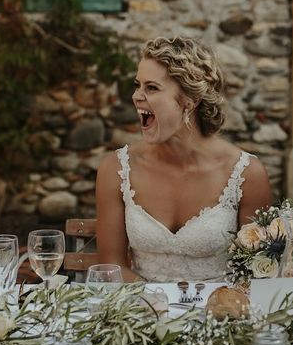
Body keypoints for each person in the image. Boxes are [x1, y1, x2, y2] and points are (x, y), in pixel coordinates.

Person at [95, 36, 272, 282]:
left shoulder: (247, 174)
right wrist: (157, 304)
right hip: (145, 312)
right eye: (138, 85)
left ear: (190, 101)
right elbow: (111, 267)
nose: (136, 96)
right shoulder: (115, 169)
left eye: (152, 88)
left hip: (221, 315)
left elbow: (257, 275)